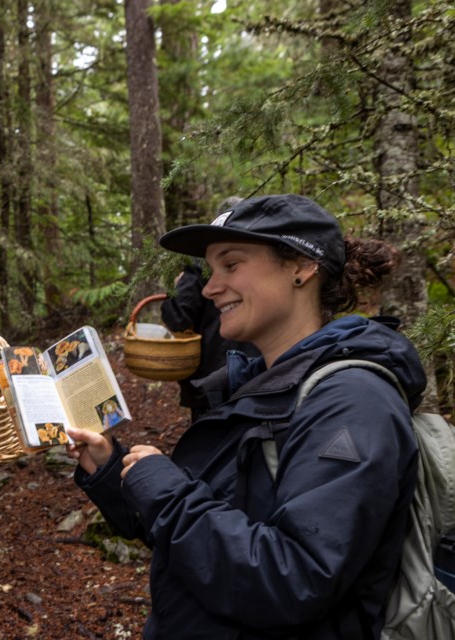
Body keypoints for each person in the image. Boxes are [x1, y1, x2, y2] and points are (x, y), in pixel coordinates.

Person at [67, 194, 423, 639]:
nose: (211, 287)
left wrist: (165, 490)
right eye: (212, 270)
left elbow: (294, 579)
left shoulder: (352, 402)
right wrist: (113, 471)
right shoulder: (257, 386)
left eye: (231, 265)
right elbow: (199, 534)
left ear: (301, 267)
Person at [161, 197, 259, 421]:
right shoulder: (258, 263)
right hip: (258, 372)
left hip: (214, 381)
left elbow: (177, 317)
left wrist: (174, 290)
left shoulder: (200, 265)